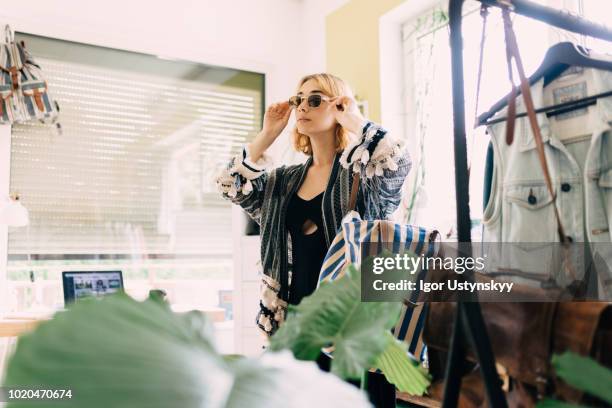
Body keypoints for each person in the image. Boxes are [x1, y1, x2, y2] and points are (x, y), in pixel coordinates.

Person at [216, 73, 411, 407]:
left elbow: (398, 165)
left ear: (338, 105)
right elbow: (231, 185)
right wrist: (267, 136)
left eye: (315, 99)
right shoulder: (282, 181)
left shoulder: (361, 175)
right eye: (299, 100)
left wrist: (354, 119)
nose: (303, 106)